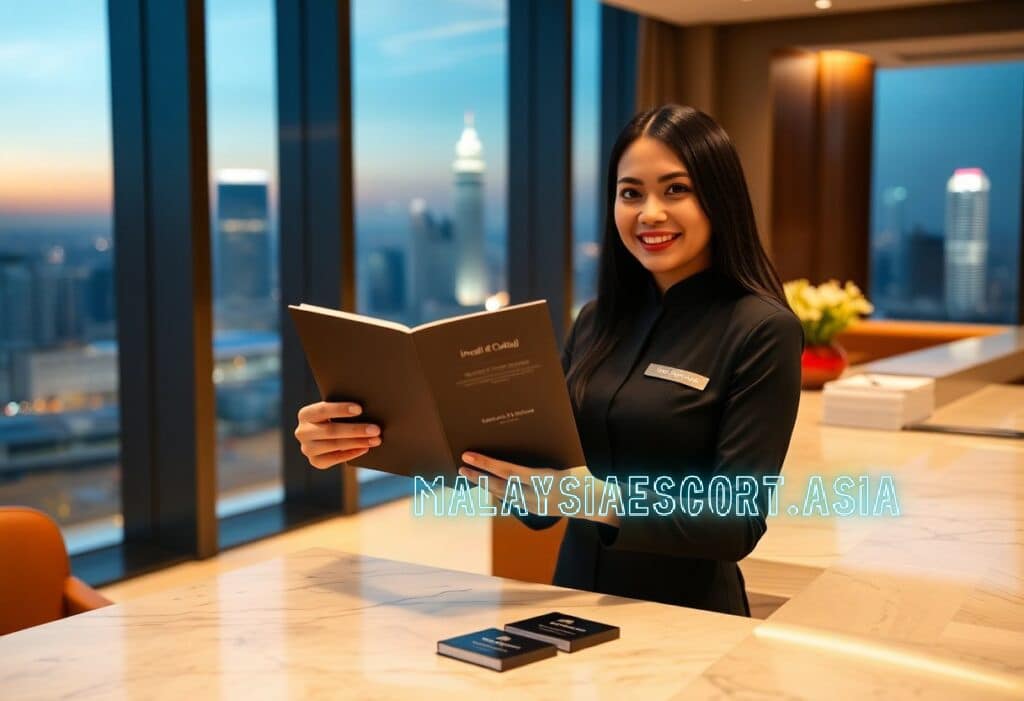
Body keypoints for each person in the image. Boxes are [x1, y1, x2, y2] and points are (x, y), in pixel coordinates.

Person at [293, 104, 803, 616]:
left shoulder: (761, 330)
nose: (650, 212)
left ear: (719, 198)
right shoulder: (597, 321)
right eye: (630, 193)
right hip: (572, 602)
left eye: (676, 189)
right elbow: (540, 501)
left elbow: (737, 523)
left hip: (689, 619)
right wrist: (364, 434)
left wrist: (587, 499)